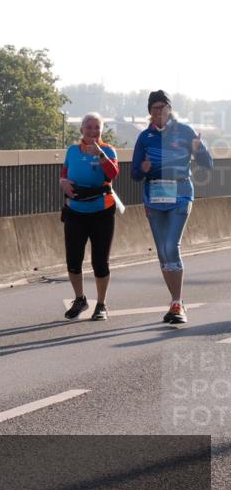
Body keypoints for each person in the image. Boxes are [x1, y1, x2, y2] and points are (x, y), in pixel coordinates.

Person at [132, 90, 213, 325]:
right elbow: (135, 174)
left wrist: (199, 149)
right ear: (149, 111)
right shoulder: (145, 137)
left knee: (171, 245)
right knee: (162, 252)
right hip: (154, 197)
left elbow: (207, 165)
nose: (159, 112)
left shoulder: (185, 132)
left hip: (180, 194)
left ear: (170, 109)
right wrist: (143, 169)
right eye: (154, 108)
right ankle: (174, 302)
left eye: (163, 107)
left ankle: (177, 302)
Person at [59, 112, 120, 321]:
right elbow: (64, 172)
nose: (93, 131)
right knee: (73, 261)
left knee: (100, 262)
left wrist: (101, 154)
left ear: (101, 131)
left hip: (102, 211)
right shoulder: (72, 151)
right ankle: (80, 299)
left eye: (97, 128)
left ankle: (101, 304)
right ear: (81, 130)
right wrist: (63, 182)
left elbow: (113, 174)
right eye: (89, 127)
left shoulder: (109, 150)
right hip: (75, 210)